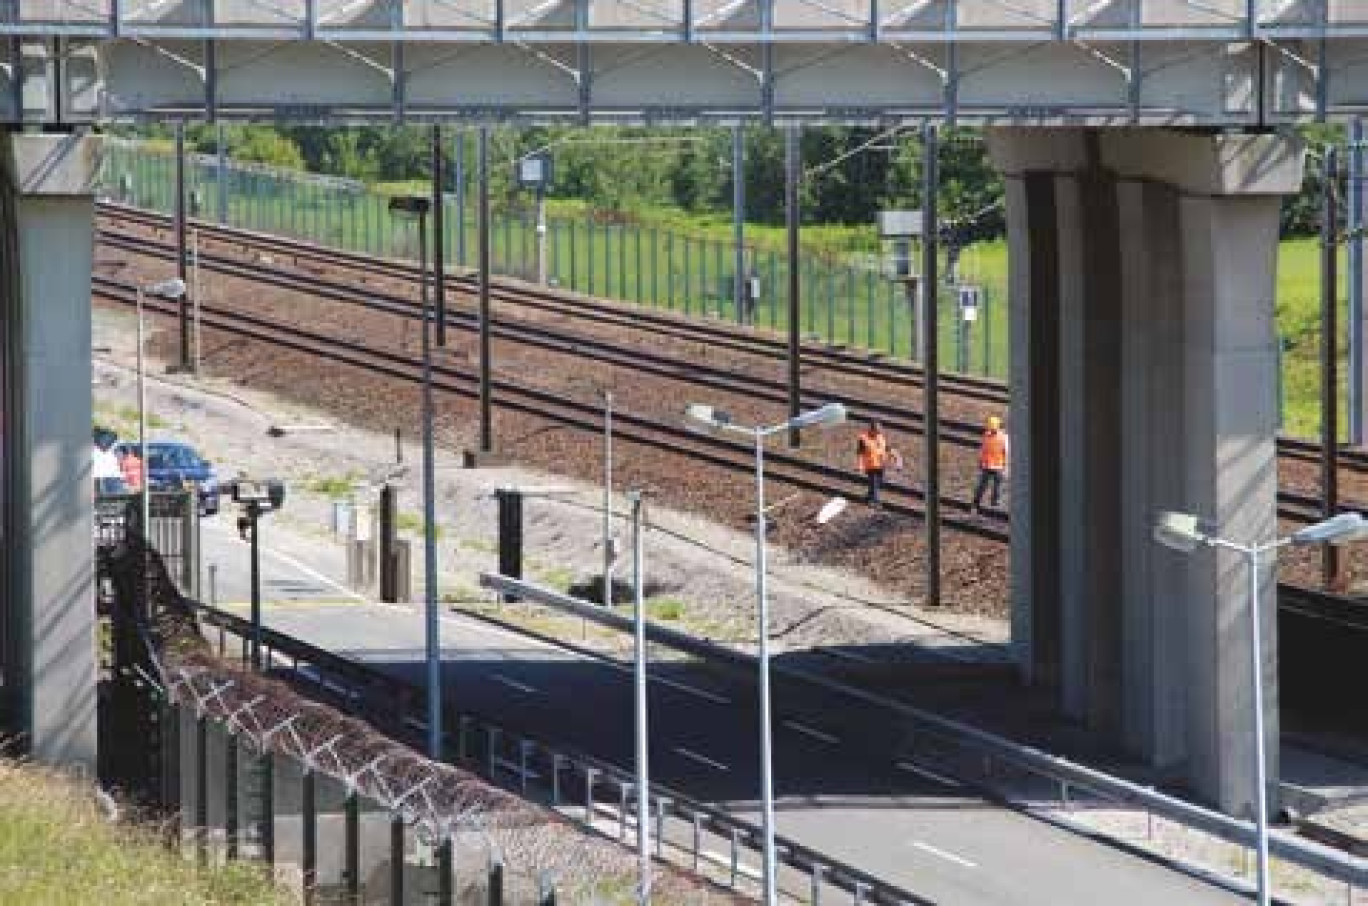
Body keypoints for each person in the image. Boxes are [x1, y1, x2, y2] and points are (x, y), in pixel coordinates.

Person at [856, 420, 900, 506]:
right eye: (877, 431)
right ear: (872, 429)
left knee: (879, 483)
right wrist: (860, 465)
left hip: (881, 465)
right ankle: (875, 501)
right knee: (874, 483)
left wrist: (897, 457)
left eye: (879, 430)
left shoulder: (880, 437)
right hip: (870, 465)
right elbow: (860, 453)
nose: (878, 433)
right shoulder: (864, 438)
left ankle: (868, 497)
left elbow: (887, 448)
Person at [973, 415, 1009, 514]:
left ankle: (993, 504)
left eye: (991, 428)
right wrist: (980, 462)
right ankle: (977, 503)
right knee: (983, 486)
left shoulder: (1003, 437)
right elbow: (983, 450)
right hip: (988, 465)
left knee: (996, 487)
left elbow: (1006, 453)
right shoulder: (987, 435)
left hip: (997, 466)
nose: (990, 430)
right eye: (990, 428)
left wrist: (1005, 467)